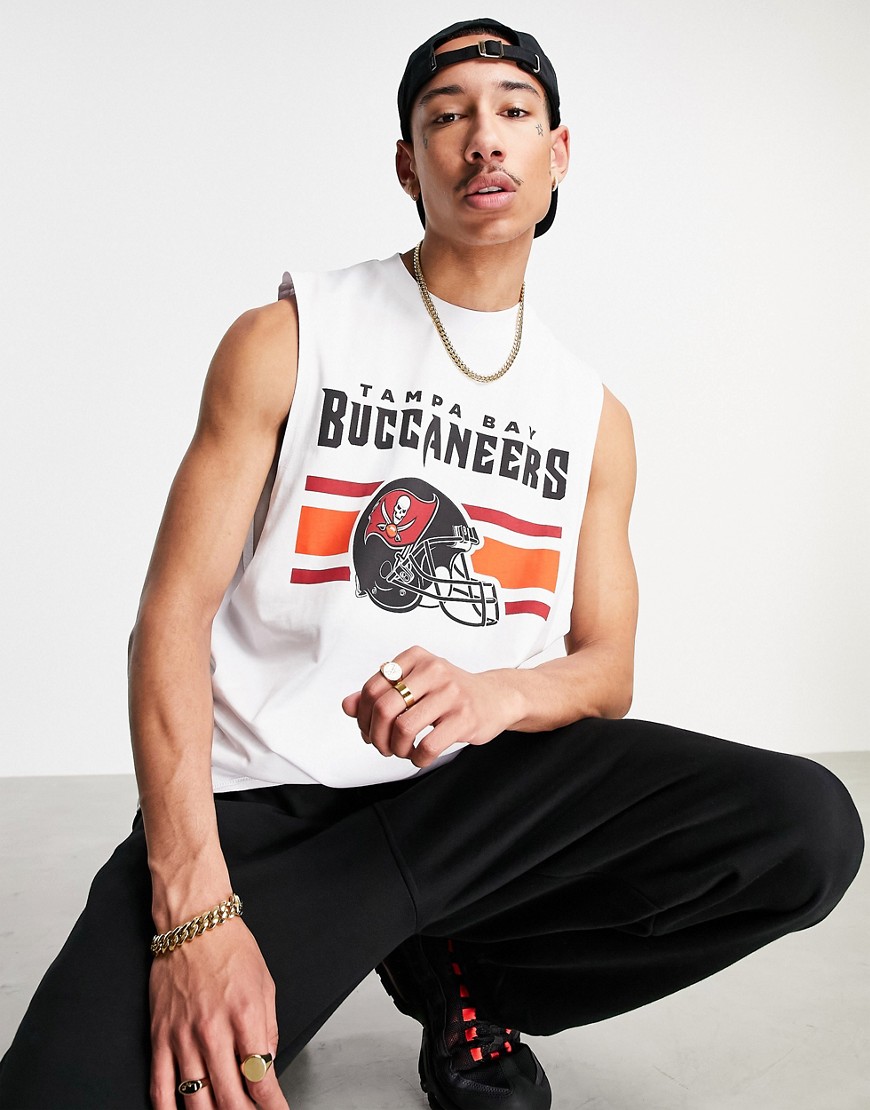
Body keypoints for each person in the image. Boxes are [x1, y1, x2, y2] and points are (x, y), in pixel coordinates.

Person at [0, 17, 863, 1110]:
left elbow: (607, 670)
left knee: (803, 828)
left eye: (514, 111)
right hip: (276, 808)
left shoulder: (592, 417)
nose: (484, 138)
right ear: (410, 164)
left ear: (558, 153)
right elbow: (169, 623)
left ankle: (467, 972)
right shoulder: (288, 338)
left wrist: (496, 693)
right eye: (448, 116)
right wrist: (195, 912)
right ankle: (342, 943)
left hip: (478, 803)